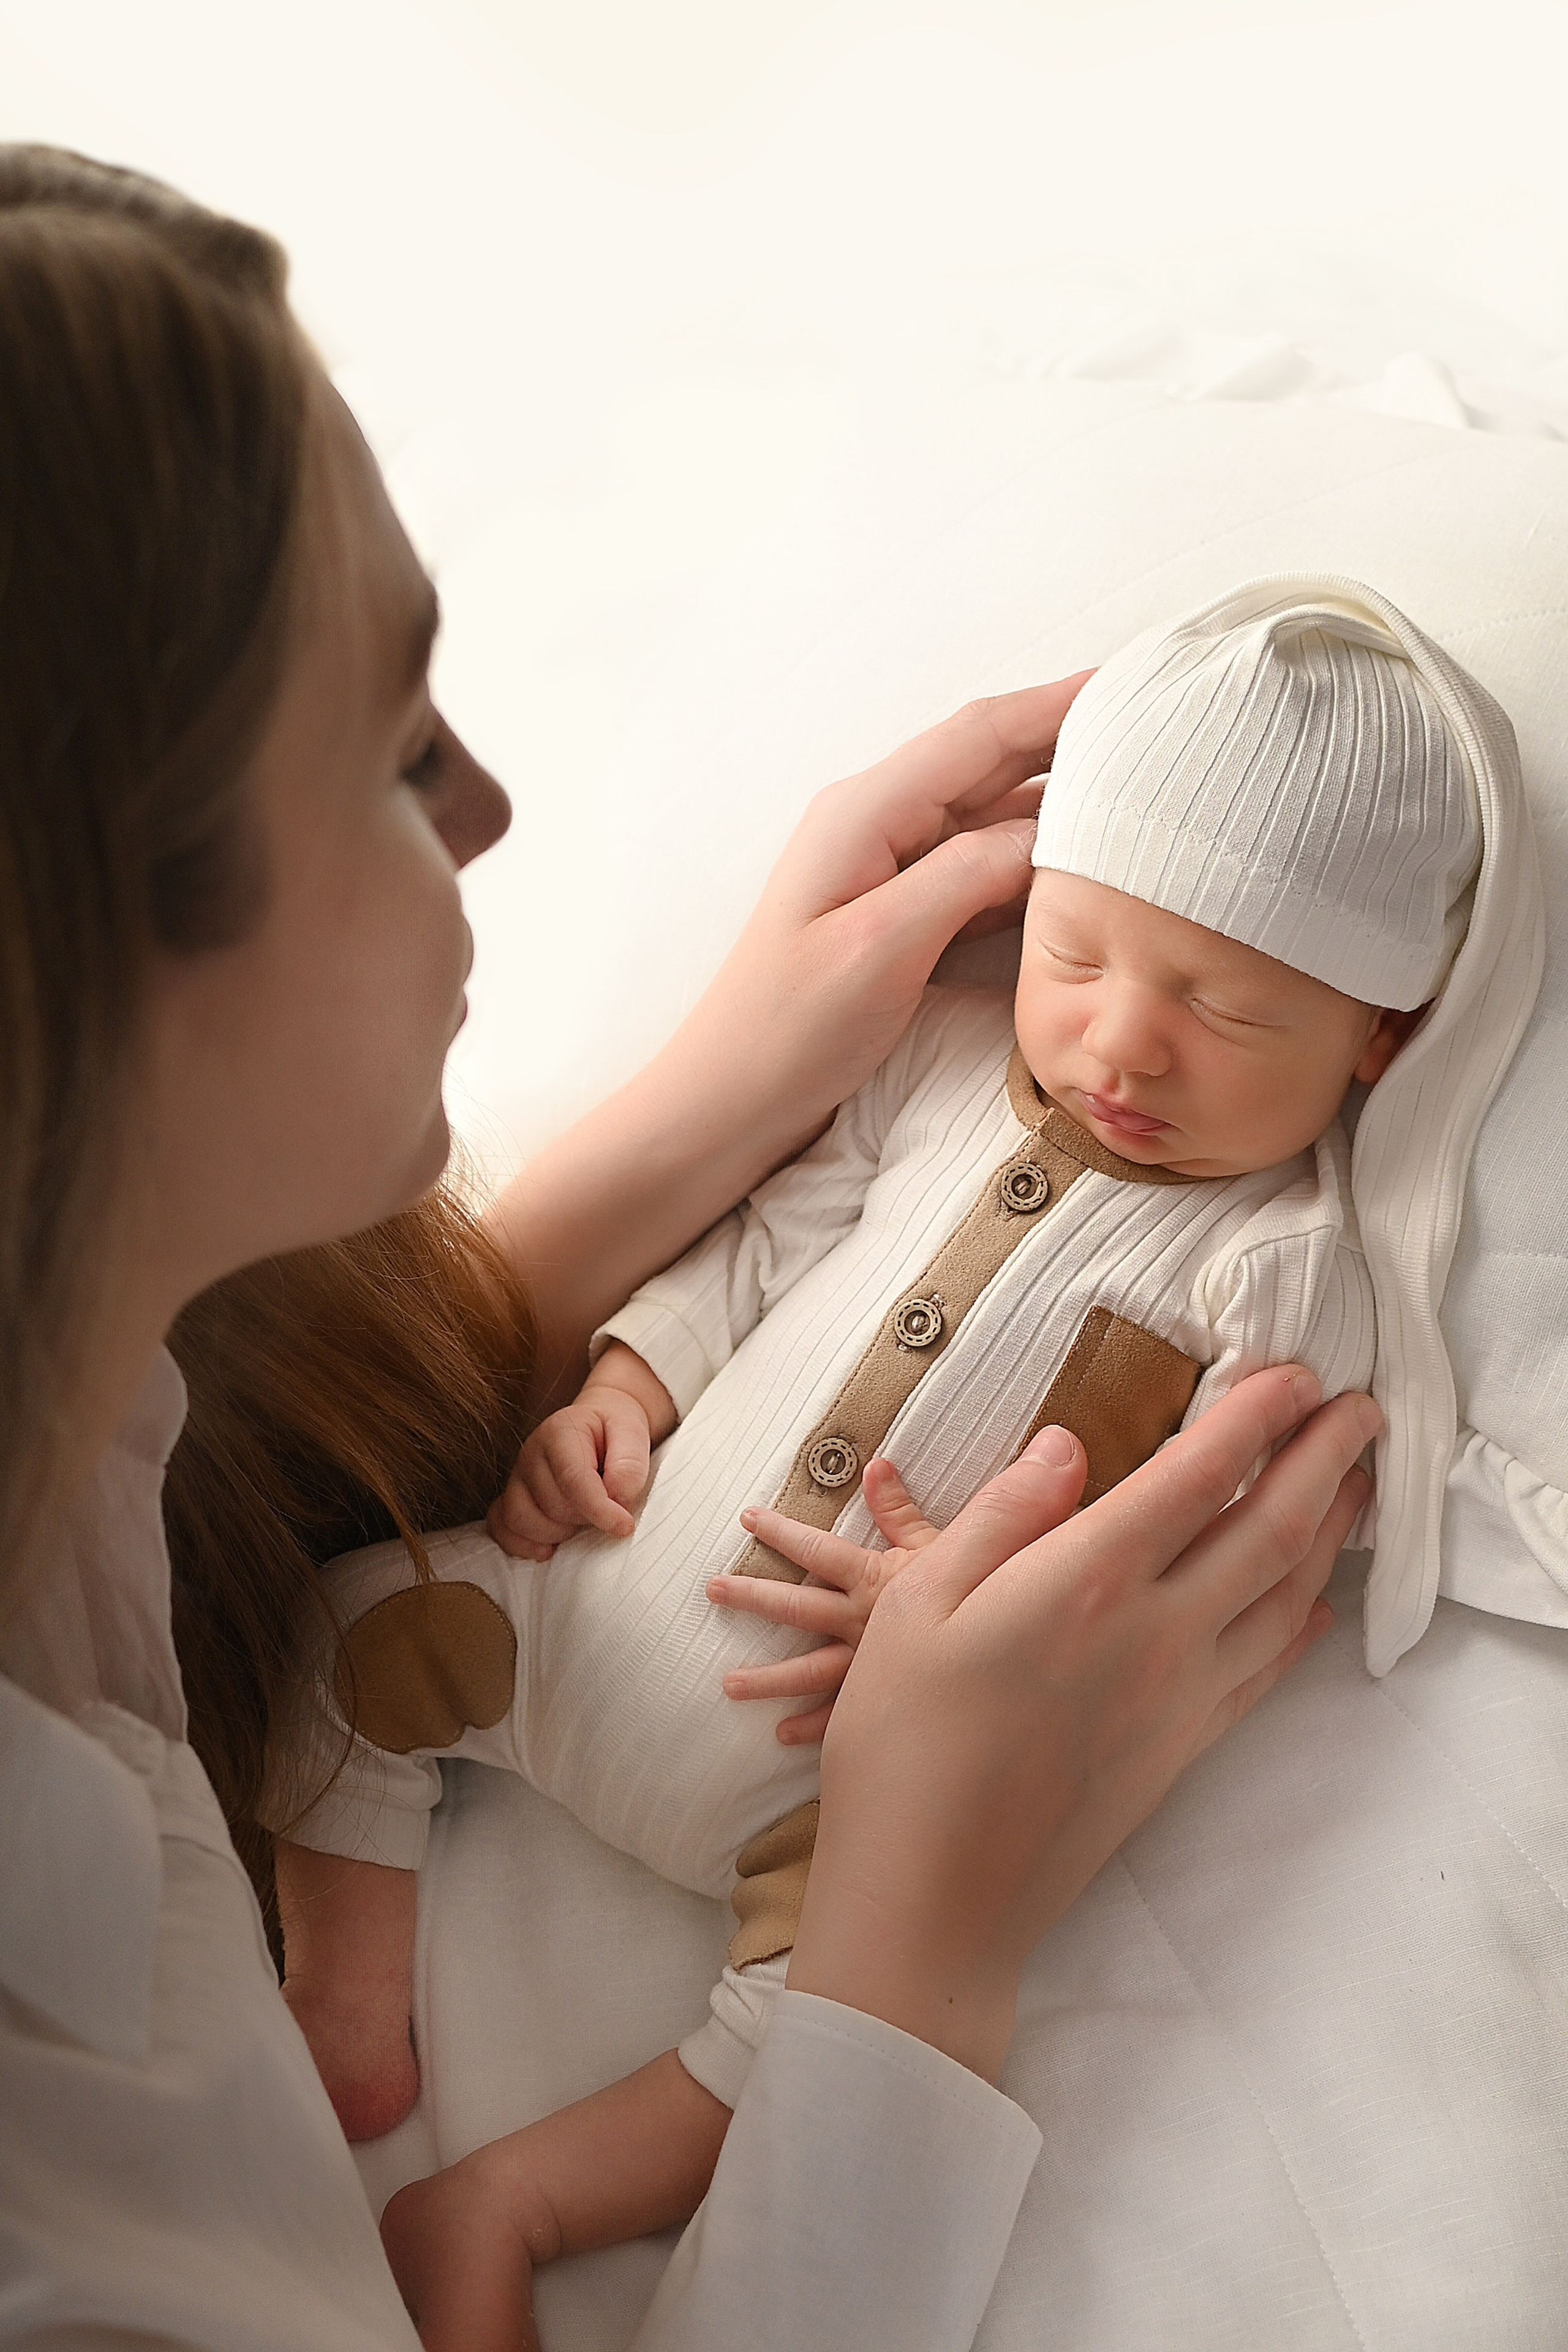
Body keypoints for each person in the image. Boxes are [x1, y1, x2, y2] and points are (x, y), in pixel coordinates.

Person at [0, 145, 1378, 2352]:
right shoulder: (80, 2232)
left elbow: (168, 1487)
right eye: (391, 744)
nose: (492, 815)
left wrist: (714, 1119)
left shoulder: (82, 1441)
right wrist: (917, 1952)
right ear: (84, 955)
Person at [262, 579, 1536, 2343]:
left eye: (1233, 1013)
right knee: (347, 1634)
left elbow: (1220, 1532)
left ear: (1380, 1039)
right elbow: (756, 1244)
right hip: (573, 1607)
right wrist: (626, 1383)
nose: (1124, 1040)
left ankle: (510, 2196)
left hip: (842, 1799)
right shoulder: (932, 1067)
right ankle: (348, 1991)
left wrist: (980, 1607)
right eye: (1077, 956)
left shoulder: (1286, 1272)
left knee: (793, 2038)